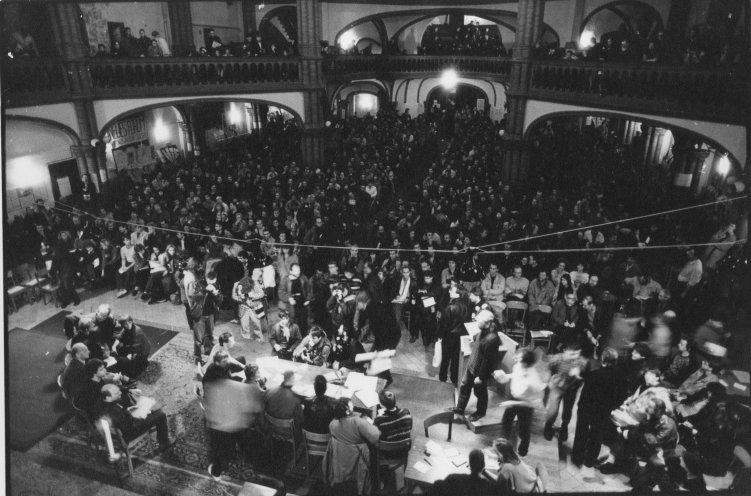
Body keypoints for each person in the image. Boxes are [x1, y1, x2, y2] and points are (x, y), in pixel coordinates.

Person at [572, 348, 628, 467]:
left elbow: (585, 394)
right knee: (597, 436)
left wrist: (579, 406)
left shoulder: (594, 375)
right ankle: (590, 461)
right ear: (615, 361)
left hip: (587, 409)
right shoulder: (620, 378)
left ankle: (577, 458)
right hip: (603, 411)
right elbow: (621, 397)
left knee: (581, 433)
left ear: (603, 359)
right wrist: (612, 407)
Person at [95, 384, 174, 460]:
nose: (120, 393)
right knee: (160, 415)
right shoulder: (115, 411)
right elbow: (131, 428)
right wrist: (145, 414)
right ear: (108, 396)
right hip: (130, 433)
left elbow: (121, 419)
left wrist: (128, 411)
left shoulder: (102, 403)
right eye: (116, 393)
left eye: (118, 390)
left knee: (148, 408)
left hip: (124, 427)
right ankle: (164, 443)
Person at [494, 349, 546, 457]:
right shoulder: (518, 365)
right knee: (506, 422)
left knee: (524, 430)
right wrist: (505, 377)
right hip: (513, 398)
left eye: (518, 357)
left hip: (525, 405)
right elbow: (515, 375)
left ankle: (522, 452)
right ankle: (503, 448)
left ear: (526, 363)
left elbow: (536, 403)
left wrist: (513, 403)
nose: (515, 358)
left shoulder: (534, 380)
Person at [453, 310, 500, 421]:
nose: (477, 323)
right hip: (472, 366)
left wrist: (481, 377)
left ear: (488, 323)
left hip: (479, 373)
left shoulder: (492, 339)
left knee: (480, 392)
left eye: (479, 322)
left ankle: (480, 412)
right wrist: (473, 337)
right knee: (465, 387)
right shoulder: (484, 331)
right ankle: (459, 409)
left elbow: (489, 362)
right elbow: (478, 337)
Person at [543, 340, 587, 442]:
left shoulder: (581, 361)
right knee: (553, 409)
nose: (575, 356)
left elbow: (584, 373)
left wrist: (579, 374)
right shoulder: (556, 359)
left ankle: (564, 427)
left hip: (571, 389)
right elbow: (550, 369)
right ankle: (548, 426)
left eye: (578, 354)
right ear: (564, 351)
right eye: (572, 354)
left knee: (568, 410)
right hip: (557, 387)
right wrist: (554, 379)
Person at [437, 284, 470, 385]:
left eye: (452, 290)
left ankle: (443, 377)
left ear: (458, 294)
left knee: (445, 358)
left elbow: (443, 325)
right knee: (456, 360)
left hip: (448, 337)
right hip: (461, 338)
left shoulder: (449, 307)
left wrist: (439, 336)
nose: (449, 291)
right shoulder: (466, 307)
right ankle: (454, 378)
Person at [432, 449, 498, 496]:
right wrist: (484, 472)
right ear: (483, 465)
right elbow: (498, 486)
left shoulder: (454, 478)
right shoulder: (486, 485)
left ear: (469, 464)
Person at [278, 262, 309, 334]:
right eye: (296, 271)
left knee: (303, 324)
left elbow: (309, 290)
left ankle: (302, 339)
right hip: (291, 306)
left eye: (299, 270)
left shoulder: (303, 278)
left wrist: (308, 299)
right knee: (292, 324)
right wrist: (289, 298)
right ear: (290, 271)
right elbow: (280, 292)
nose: (298, 272)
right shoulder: (285, 280)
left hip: (302, 304)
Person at [391, 265, 417, 342]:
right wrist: (397, 295)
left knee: (396, 308)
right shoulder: (399, 280)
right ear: (402, 273)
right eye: (404, 272)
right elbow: (395, 291)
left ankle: (395, 332)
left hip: (408, 302)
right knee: (393, 307)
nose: (405, 274)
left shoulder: (413, 282)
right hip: (399, 300)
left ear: (410, 272)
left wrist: (408, 298)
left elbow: (415, 295)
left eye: (407, 272)